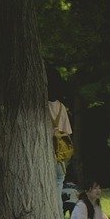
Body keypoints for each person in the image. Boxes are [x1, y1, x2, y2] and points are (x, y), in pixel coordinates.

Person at [48, 68, 73, 209]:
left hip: (43, 155)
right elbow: (67, 133)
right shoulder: (61, 107)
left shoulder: (39, 106)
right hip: (58, 155)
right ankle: (58, 218)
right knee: (58, 184)